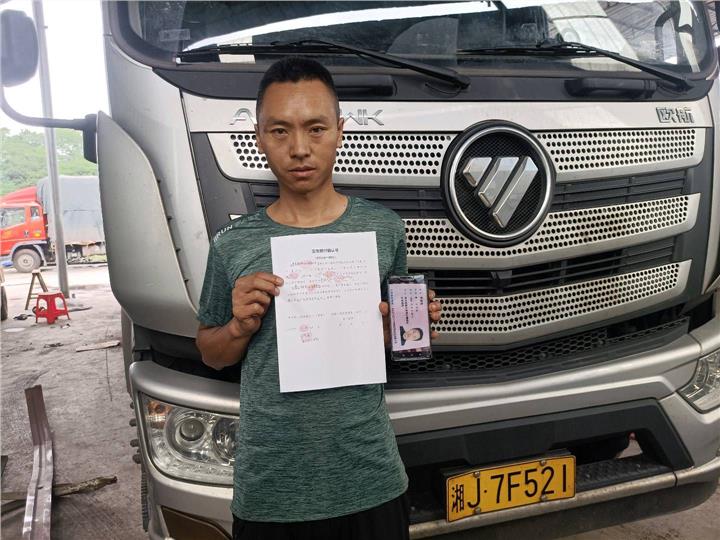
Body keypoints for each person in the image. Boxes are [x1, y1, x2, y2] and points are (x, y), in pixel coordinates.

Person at [195, 56, 442, 540]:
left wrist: (405, 329)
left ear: (340, 131)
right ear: (259, 137)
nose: (299, 149)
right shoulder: (233, 244)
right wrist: (238, 327)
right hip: (272, 487)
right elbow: (212, 353)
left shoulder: (383, 229)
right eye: (280, 131)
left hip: (370, 475)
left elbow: (399, 344)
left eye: (316, 128)